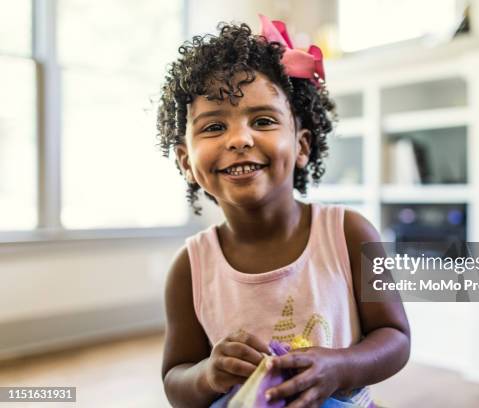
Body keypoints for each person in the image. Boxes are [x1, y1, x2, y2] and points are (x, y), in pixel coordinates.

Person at [158, 15, 410, 407]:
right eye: (212, 127)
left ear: (302, 146)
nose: (239, 139)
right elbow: (176, 380)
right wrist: (207, 374)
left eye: (262, 120)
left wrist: (340, 366)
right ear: (186, 161)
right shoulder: (189, 268)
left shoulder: (350, 233)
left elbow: (395, 337)